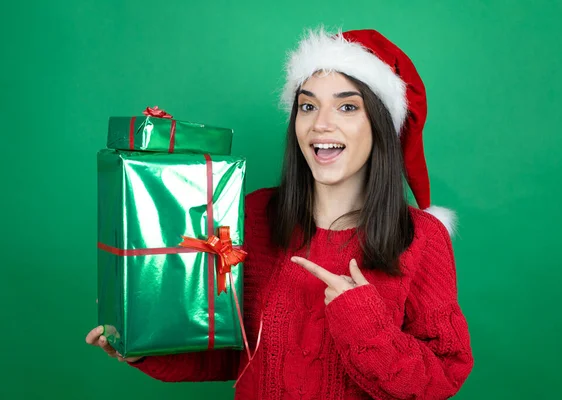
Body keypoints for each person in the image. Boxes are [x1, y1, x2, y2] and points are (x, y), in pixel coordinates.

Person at [86, 27, 474, 399]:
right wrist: (141, 346)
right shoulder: (253, 215)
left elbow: (442, 379)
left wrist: (361, 319)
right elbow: (231, 351)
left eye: (347, 106)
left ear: (380, 125)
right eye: (308, 105)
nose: (321, 123)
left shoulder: (421, 237)